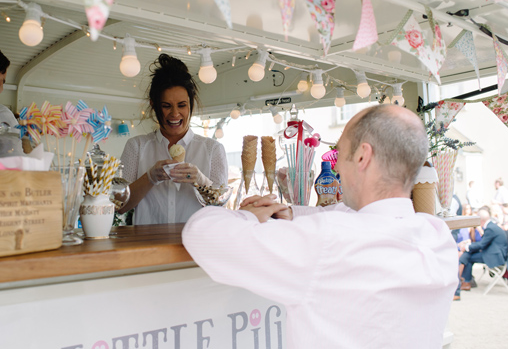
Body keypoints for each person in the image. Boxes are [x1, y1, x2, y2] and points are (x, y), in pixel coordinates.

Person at [183, 104, 457, 349]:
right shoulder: (439, 238)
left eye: (340, 155)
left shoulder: (328, 241)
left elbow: (200, 233)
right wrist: (289, 212)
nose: (337, 169)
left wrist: (250, 215)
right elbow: (352, 214)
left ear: (362, 157)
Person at [119, 54, 227, 225]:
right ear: (154, 105)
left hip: (195, 244)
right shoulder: (137, 146)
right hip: (149, 245)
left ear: (191, 104)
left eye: (182, 105)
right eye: (166, 106)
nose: (175, 114)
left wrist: (201, 181)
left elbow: (220, 204)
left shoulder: (212, 149)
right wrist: (150, 177)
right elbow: (120, 205)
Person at [458, 208, 508, 291]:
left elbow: (482, 244)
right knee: (468, 255)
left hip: (495, 257)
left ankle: (466, 281)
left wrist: (467, 247)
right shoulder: (492, 226)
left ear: (480, 219)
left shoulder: (490, 228)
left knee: (468, 257)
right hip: (495, 254)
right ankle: (465, 281)